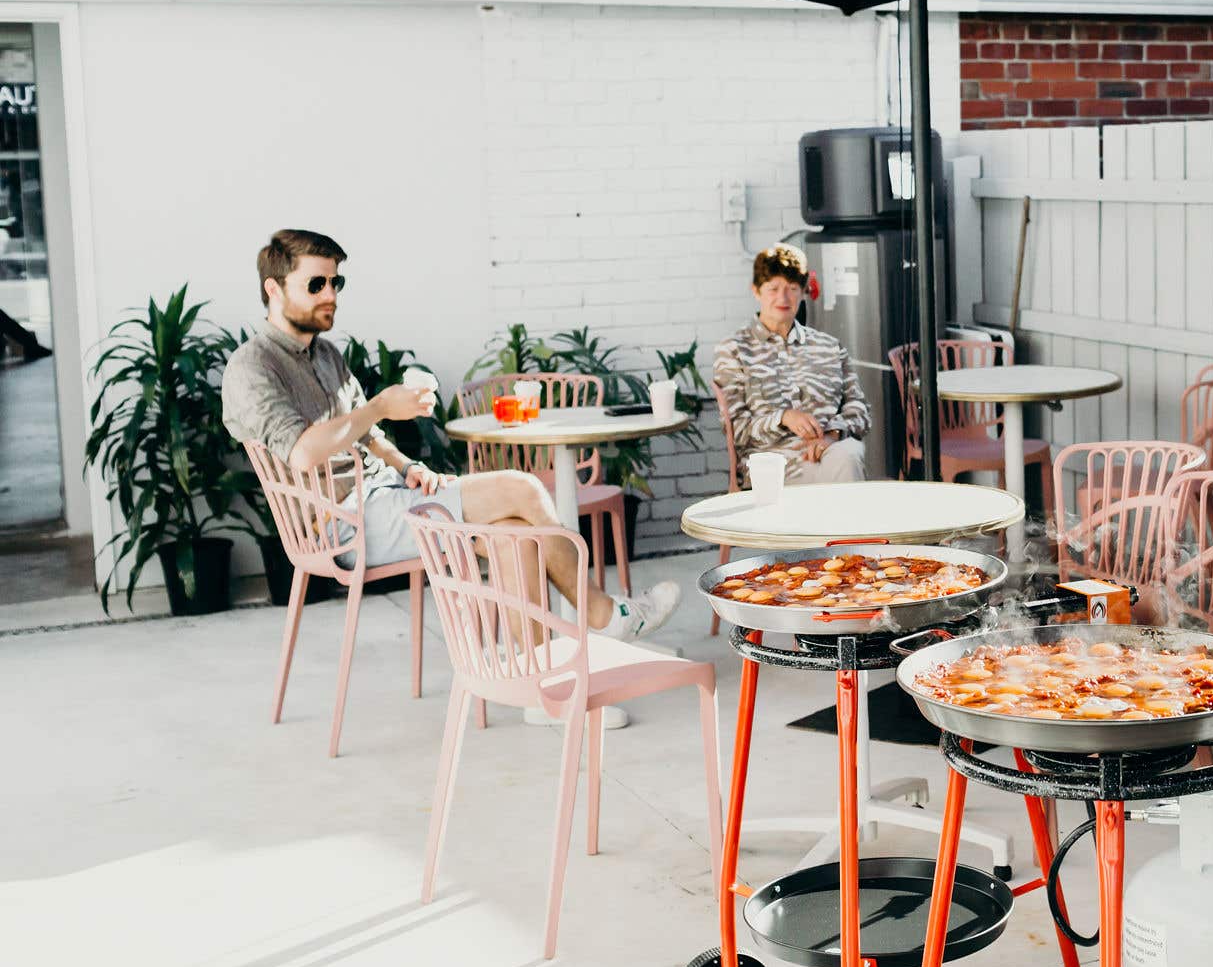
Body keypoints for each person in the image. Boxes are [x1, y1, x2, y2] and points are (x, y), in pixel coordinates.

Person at [222, 230, 680, 720]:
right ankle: (605, 615)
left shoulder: (326, 355)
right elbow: (302, 453)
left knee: (516, 537)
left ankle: (545, 694)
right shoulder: (252, 366)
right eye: (316, 284)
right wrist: (379, 406)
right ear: (274, 288)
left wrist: (409, 466)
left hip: (385, 498)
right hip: (340, 524)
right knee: (522, 487)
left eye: (337, 282)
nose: (330, 294)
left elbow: (366, 436)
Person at [713, 243, 870, 486]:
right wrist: (783, 417)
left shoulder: (830, 347)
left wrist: (832, 434)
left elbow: (859, 409)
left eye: (792, 288)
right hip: (771, 465)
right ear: (756, 291)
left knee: (848, 456)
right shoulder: (734, 350)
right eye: (773, 288)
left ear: (803, 292)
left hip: (829, 452)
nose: (783, 298)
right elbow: (737, 430)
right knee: (841, 478)